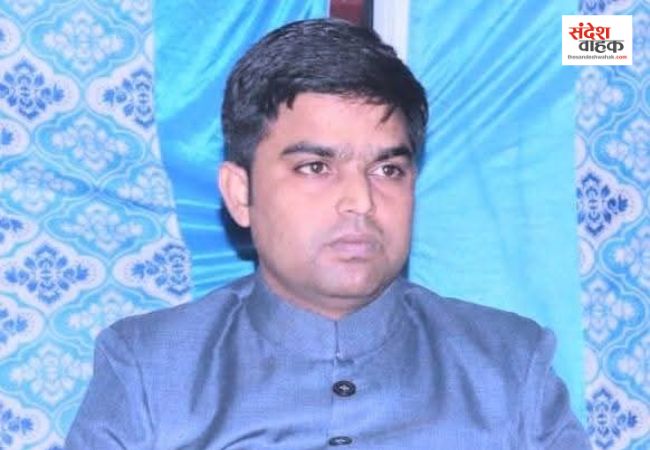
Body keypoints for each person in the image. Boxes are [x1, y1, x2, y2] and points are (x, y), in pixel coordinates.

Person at [65, 18, 590, 449]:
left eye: (388, 169)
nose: (361, 200)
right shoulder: (148, 370)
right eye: (316, 167)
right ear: (240, 194)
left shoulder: (508, 367)